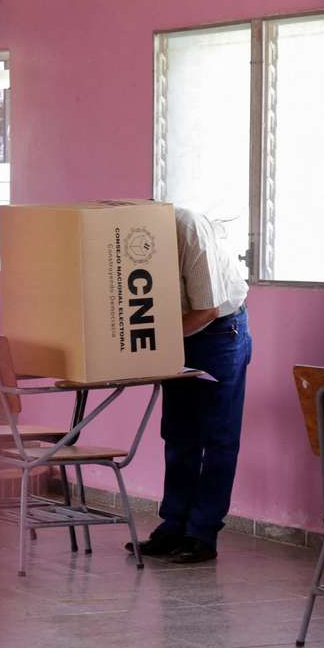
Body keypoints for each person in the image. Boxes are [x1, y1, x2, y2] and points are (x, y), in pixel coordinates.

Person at [126, 206, 252, 563]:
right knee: (178, 433)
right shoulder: (127, 238)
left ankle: (203, 533)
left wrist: (157, 342)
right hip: (180, 327)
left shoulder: (187, 231)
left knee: (218, 438)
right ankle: (173, 525)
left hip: (219, 332)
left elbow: (207, 310)